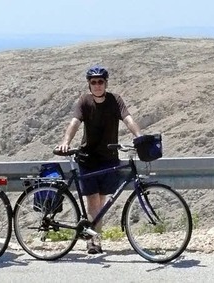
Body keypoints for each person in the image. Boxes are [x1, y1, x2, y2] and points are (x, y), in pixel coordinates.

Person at [57, 65, 142, 254]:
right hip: (88, 159)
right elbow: (74, 122)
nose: (97, 85)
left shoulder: (115, 100)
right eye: (93, 82)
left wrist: (138, 136)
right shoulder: (84, 101)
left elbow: (128, 118)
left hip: (109, 159)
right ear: (89, 85)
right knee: (93, 202)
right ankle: (92, 241)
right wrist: (65, 141)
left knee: (101, 203)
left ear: (105, 83)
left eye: (100, 82)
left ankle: (96, 238)